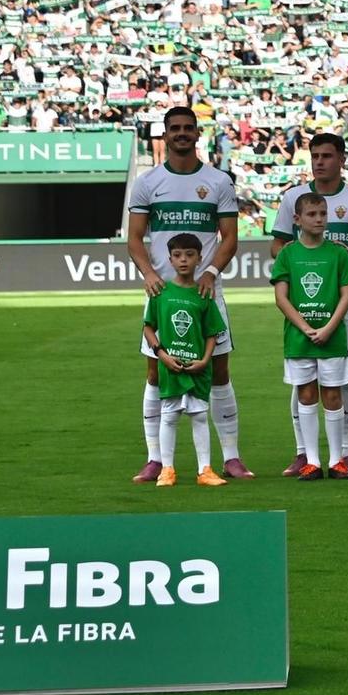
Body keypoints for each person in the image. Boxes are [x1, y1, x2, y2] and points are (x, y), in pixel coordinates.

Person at [126, 104, 247, 484]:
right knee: (155, 373)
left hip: (206, 293)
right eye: (174, 128)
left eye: (187, 127)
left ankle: (231, 457)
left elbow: (230, 237)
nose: (181, 133)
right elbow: (134, 238)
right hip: (162, 292)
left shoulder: (218, 181)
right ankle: (155, 459)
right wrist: (148, 273)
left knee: (219, 371)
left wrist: (210, 271)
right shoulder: (147, 182)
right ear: (165, 135)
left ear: (197, 133)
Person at [274, 131, 348, 476]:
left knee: (347, 377)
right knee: (302, 381)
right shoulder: (293, 197)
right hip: (305, 302)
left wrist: (343, 253)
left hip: (345, 301)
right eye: (315, 156)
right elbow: (277, 247)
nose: (320, 162)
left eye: (327, 156)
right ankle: (303, 453)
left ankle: (347, 453)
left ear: (341, 159)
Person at [271, 192, 348, 481]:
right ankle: (312, 461)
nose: (319, 219)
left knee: (332, 394)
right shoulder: (287, 254)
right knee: (306, 394)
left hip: (332, 338)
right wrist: (305, 327)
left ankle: (336, 461)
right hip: (299, 339)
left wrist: (329, 327)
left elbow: (346, 296)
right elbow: (281, 298)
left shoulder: (338, 253)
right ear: (297, 219)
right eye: (312, 214)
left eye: (322, 214)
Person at [140, 233, 227, 488]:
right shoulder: (161, 293)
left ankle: (205, 470)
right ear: (170, 260)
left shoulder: (203, 294)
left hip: (197, 368)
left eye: (189, 255)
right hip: (171, 367)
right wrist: (161, 354)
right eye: (177, 255)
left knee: (199, 416)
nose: (183, 260)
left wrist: (205, 360)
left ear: (200, 259)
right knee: (169, 416)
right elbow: (148, 327)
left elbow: (212, 333)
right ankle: (167, 470)